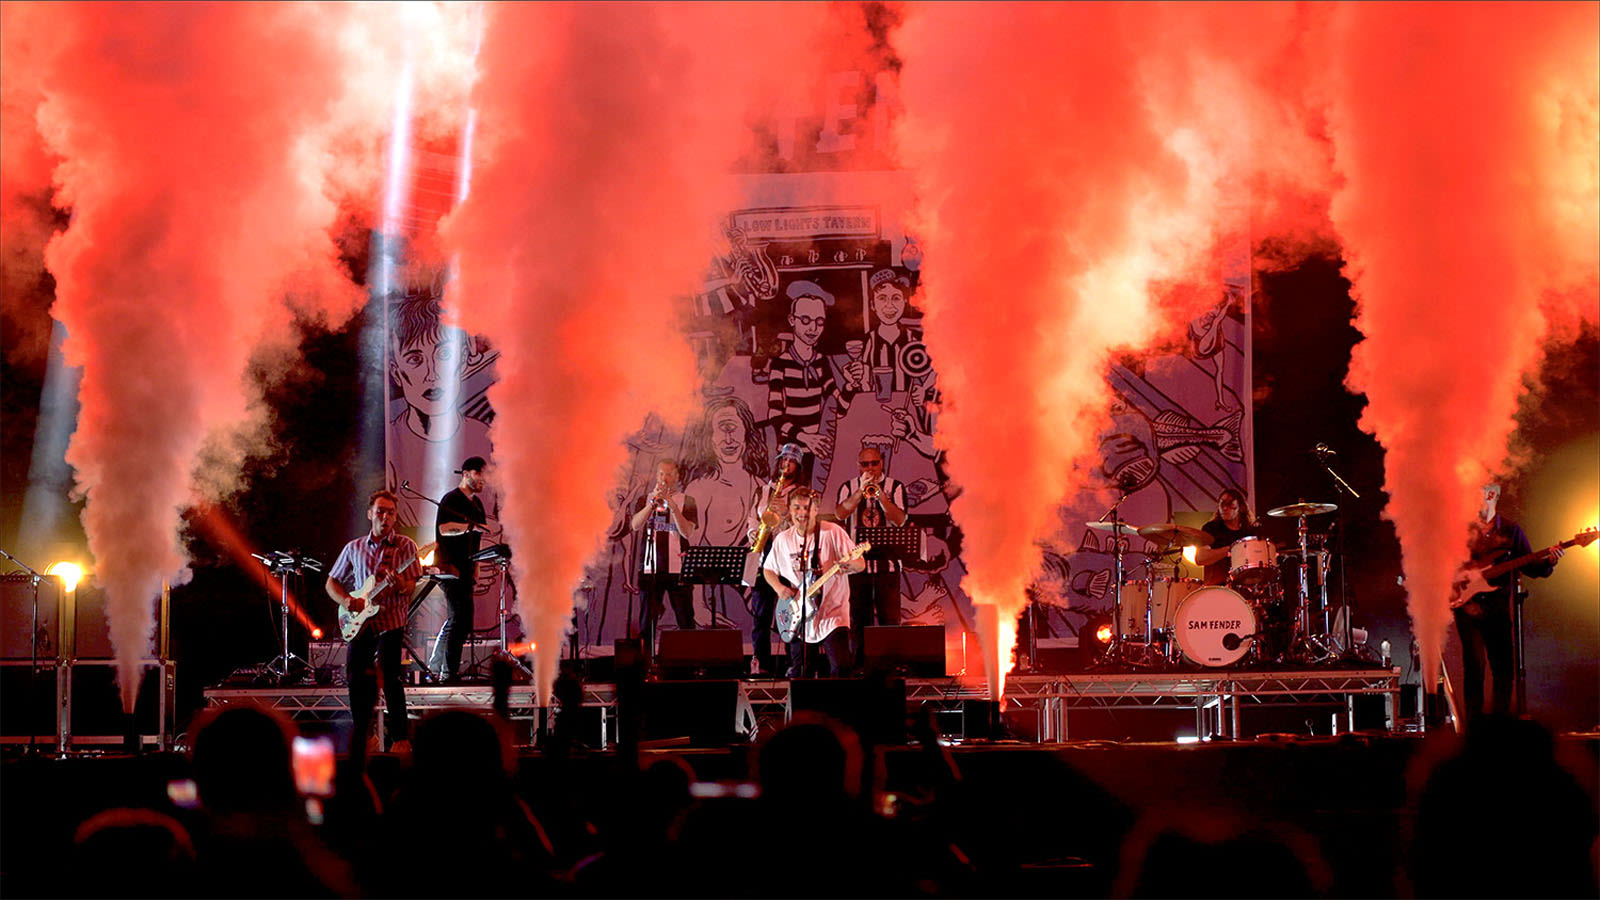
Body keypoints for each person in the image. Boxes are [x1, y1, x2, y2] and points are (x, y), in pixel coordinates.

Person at [1453, 483, 1563, 722]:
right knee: (1474, 669)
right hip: (1467, 609)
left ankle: (1500, 727)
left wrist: (1550, 561)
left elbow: (1532, 568)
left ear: (1491, 495)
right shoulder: (1462, 530)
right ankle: (1473, 731)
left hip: (1497, 610)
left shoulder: (1512, 531)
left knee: (1503, 670)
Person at [326, 490, 422, 756]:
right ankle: (364, 737)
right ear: (370, 514)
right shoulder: (353, 547)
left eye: (390, 513)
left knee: (391, 678)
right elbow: (331, 582)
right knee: (356, 679)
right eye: (380, 511)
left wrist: (401, 584)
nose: (385, 517)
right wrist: (347, 601)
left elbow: (410, 586)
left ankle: (400, 739)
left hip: (391, 621)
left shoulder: (406, 547)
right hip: (360, 621)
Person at [764, 487, 864, 677]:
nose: (802, 513)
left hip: (833, 614)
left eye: (807, 508)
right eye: (797, 508)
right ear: (790, 510)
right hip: (800, 616)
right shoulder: (783, 539)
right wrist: (779, 588)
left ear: (816, 510)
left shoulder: (832, 532)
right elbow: (768, 569)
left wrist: (851, 565)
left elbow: (861, 564)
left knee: (840, 669)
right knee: (801, 672)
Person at [766, 280, 856, 464]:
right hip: (789, 451)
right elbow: (774, 415)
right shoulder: (780, 364)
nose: (813, 328)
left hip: (816, 451)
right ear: (792, 320)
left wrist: (850, 385)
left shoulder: (821, 362)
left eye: (819, 322)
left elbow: (839, 409)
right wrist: (805, 437)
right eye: (805, 320)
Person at [835, 444, 909, 668]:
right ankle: (860, 666)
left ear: (882, 463)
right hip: (857, 566)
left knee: (889, 619)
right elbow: (840, 513)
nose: (870, 468)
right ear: (858, 466)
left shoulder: (895, 487)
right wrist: (860, 491)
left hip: (888, 565)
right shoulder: (848, 487)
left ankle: (891, 667)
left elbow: (900, 520)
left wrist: (881, 496)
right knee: (859, 619)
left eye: (874, 463)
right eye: (865, 464)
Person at [629, 459, 698, 665]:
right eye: (660, 474)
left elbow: (687, 531)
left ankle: (688, 664)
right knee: (647, 623)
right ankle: (646, 665)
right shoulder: (645, 499)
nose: (664, 478)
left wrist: (672, 505)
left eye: (669, 474)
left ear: (677, 477)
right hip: (651, 569)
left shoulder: (688, 500)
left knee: (685, 620)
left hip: (678, 569)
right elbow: (634, 525)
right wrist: (652, 504)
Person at [745, 443, 806, 675]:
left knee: (791, 614)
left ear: (797, 466)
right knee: (760, 615)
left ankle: (794, 665)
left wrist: (783, 516)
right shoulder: (762, 490)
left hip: (788, 558)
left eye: (790, 461)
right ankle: (760, 665)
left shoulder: (801, 494)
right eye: (783, 460)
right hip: (763, 554)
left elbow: (804, 527)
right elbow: (752, 519)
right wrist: (756, 534)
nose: (785, 465)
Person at [430, 456, 490, 683]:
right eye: (480, 474)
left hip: (466, 569)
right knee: (459, 619)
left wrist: (477, 566)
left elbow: (480, 538)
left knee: (461, 620)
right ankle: (448, 672)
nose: (484, 480)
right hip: (450, 569)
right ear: (466, 474)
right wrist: (469, 527)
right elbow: (444, 530)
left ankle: (438, 666)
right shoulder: (451, 499)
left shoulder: (477, 505)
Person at [1192, 488, 1257, 586]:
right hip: (1217, 587)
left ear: (1241, 507)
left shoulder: (1250, 531)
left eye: (1230, 504)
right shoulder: (1211, 528)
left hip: (1245, 586)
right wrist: (1230, 550)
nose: (1225, 508)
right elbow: (1200, 558)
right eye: (1222, 504)